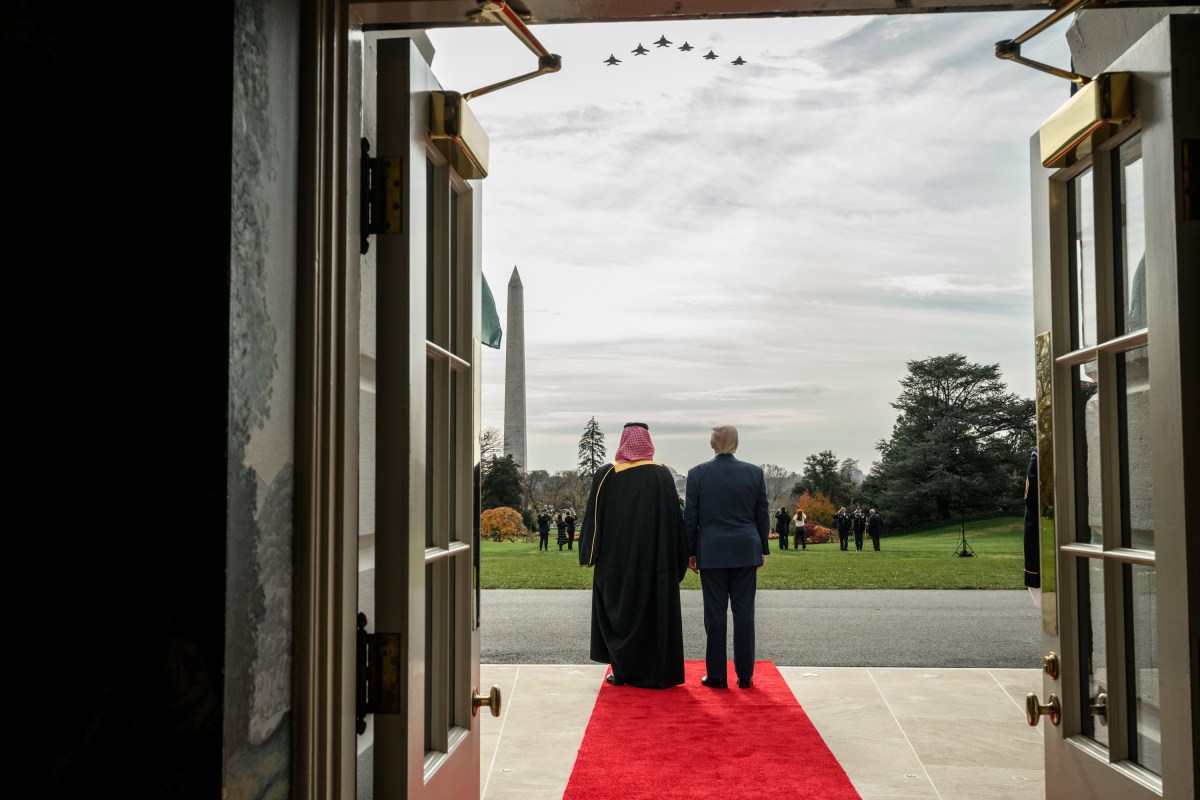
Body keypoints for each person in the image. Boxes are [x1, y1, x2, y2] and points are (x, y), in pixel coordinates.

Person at [579, 422, 688, 689]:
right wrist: (679, 559)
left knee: (620, 614)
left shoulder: (607, 474)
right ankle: (657, 672)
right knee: (655, 615)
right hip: (655, 563)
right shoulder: (661, 475)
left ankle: (623, 670)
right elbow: (676, 522)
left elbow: (593, 518)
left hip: (616, 564)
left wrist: (589, 554)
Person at [684, 424, 770, 689]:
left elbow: (691, 518)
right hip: (746, 549)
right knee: (745, 614)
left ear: (712, 444)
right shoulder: (754, 473)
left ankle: (717, 674)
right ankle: (745, 675)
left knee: (715, 615)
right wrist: (762, 548)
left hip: (712, 550)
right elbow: (761, 515)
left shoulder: (697, 474)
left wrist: (690, 550)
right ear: (737, 444)